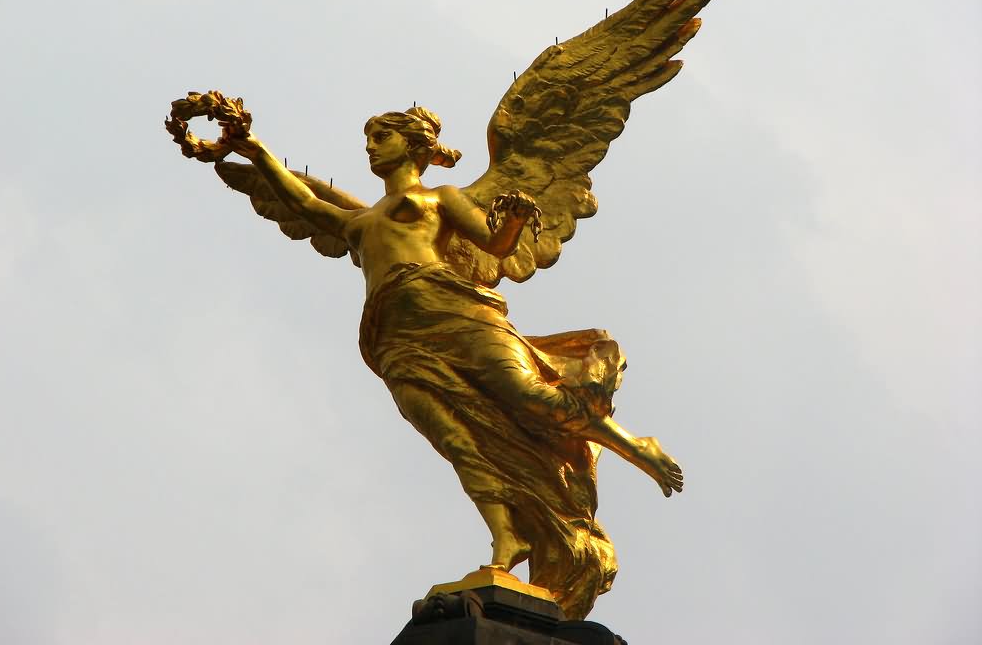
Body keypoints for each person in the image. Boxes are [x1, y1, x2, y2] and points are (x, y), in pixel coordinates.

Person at [226, 106, 683, 618]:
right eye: (369, 138)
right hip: (396, 340)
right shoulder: (358, 221)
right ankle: (507, 539)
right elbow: (304, 201)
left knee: (529, 395)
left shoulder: (441, 198)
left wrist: (512, 218)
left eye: (381, 136)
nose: (370, 146)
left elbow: (495, 245)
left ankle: (634, 445)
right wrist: (252, 147)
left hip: (458, 312)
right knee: (455, 438)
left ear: (413, 145)